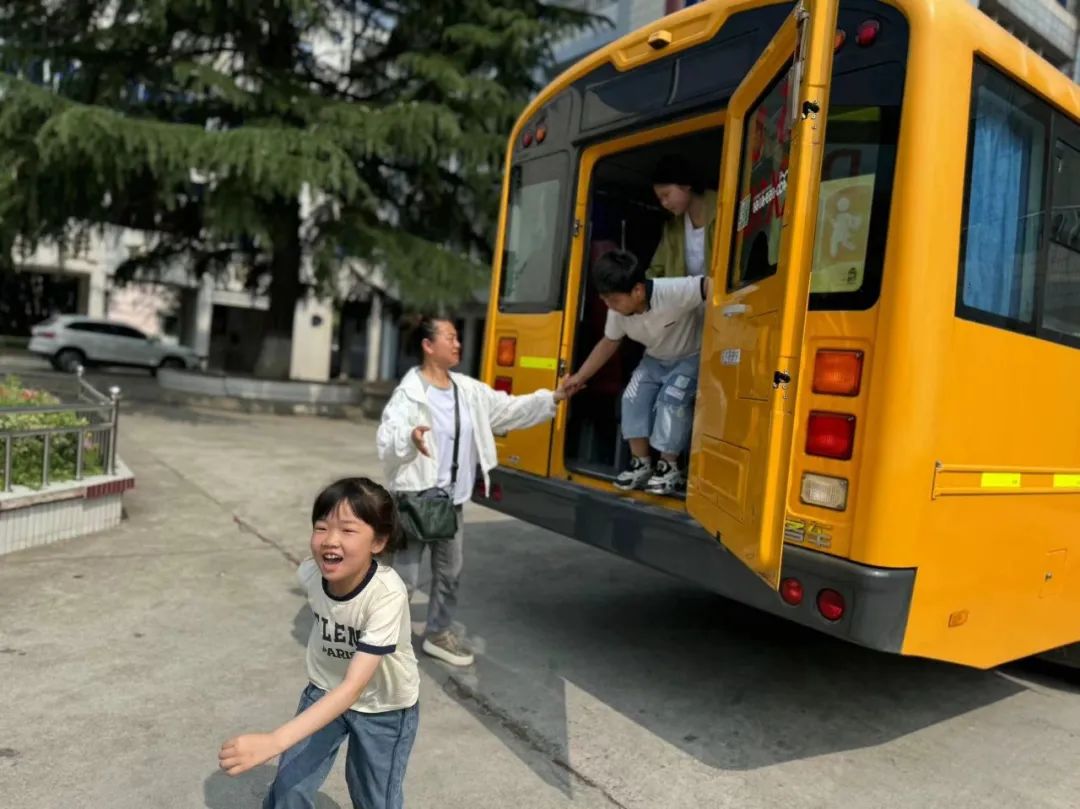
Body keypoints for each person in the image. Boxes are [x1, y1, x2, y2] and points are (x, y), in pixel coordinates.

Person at [377, 316, 574, 666]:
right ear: (428, 345)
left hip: (451, 501)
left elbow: (508, 408)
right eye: (450, 338)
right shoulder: (408, 394)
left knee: (450, 573)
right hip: (414, 500)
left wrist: (554, 397)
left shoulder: (467, 390)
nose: (457, 344)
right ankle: (382, 643)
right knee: (403, 579)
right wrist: (410, 439)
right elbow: (387, 441)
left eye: (457, 338)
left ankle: (438, 633)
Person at [219, 477, 419, 809]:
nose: (330, 541)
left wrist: (275, 740)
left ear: (379, 541)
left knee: (375, 800)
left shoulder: (387, 595)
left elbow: (354, 686)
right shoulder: (310, 574)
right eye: (321, 527)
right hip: (324, 689)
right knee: (288, 787)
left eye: (348, 530)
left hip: (384, 708)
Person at [563, 250, 709, 495]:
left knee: (671, 398)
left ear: (638, 291)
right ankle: (641, 464)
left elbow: (710, 286)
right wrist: (578, 378)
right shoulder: (618, 312)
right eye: (605, 300)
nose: (609, 306)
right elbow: (608, 344)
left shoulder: (673, 291)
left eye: (614, 300)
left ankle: (669, 466)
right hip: (654, 360)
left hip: (689, 358)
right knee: (630, 397)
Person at [647, 155, 719, 279]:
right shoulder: (672, 229)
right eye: (660, 199)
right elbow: (656, 271)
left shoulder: (723, 208)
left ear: (685, 185)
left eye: (666, 194)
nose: (664, 203)